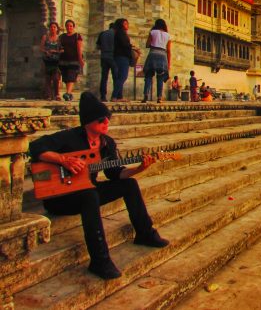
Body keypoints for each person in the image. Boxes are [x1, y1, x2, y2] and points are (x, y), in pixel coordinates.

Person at [28, 92, 169, 280]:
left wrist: (139, 168)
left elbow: (115, 174)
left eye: (108, 119)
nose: (106, 123)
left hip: (87, 192)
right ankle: (100, 260)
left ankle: (145, 233)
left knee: (129, 184)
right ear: (88, 121)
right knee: (90, 195)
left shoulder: (107, 143)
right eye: (101, 120)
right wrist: (63, 159)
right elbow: (35, 147)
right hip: (60, 198)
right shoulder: (69, 137)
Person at [142, 19, 171, 104]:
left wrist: (154, 44)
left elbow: (147, 44)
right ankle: (159, 97)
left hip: (153, 53)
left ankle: (145, 95)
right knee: (160, 77)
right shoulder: (168, 35)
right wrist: (168, 64)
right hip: (163, 55)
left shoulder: (153, 32)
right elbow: (169, 50)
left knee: (148, 75)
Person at [58, 19, 84, 101]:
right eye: (67, 26)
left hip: (74, 59)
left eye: (71, 26)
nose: (69, 27)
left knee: (71, 76)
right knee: (65, 77)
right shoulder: (62, 37)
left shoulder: (77, 36)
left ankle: (68, 93)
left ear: (73, 27)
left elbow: (79, 48)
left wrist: (80, 59)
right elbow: (58, 46)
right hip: (63, 60)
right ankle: (69, 94)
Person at [112, 18, 132, 102]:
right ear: (121, 25)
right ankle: (114, 96)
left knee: (119, 77)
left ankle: (119, 96)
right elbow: (124, 45)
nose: (127, 25)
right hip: (122, 57)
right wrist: (131, 47)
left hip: (119, 57)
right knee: (123, 76)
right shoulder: (121, 33)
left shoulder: (118, 33)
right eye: (125, 23)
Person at [40, 22, 62, 100]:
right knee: (47, 78)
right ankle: (48, 95)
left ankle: (57, 94)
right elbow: (41, 48)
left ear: (57, 29)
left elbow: (62, 50)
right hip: (47, 60)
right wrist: (46, 52)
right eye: (51, 27)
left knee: (56, 78)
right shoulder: (45, 37)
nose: (53, 28)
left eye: (54, 27)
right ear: (49, 28)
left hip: (56, 61)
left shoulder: (59, 39)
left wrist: (55, 51)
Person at [96, 23, 116, 102]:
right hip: (113, 57)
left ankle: (103, 96)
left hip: (104, 56)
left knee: (104, 77)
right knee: (116, 77)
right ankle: (115, 95)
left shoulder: (102, 34)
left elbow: (98, 46)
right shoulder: (115, 34)